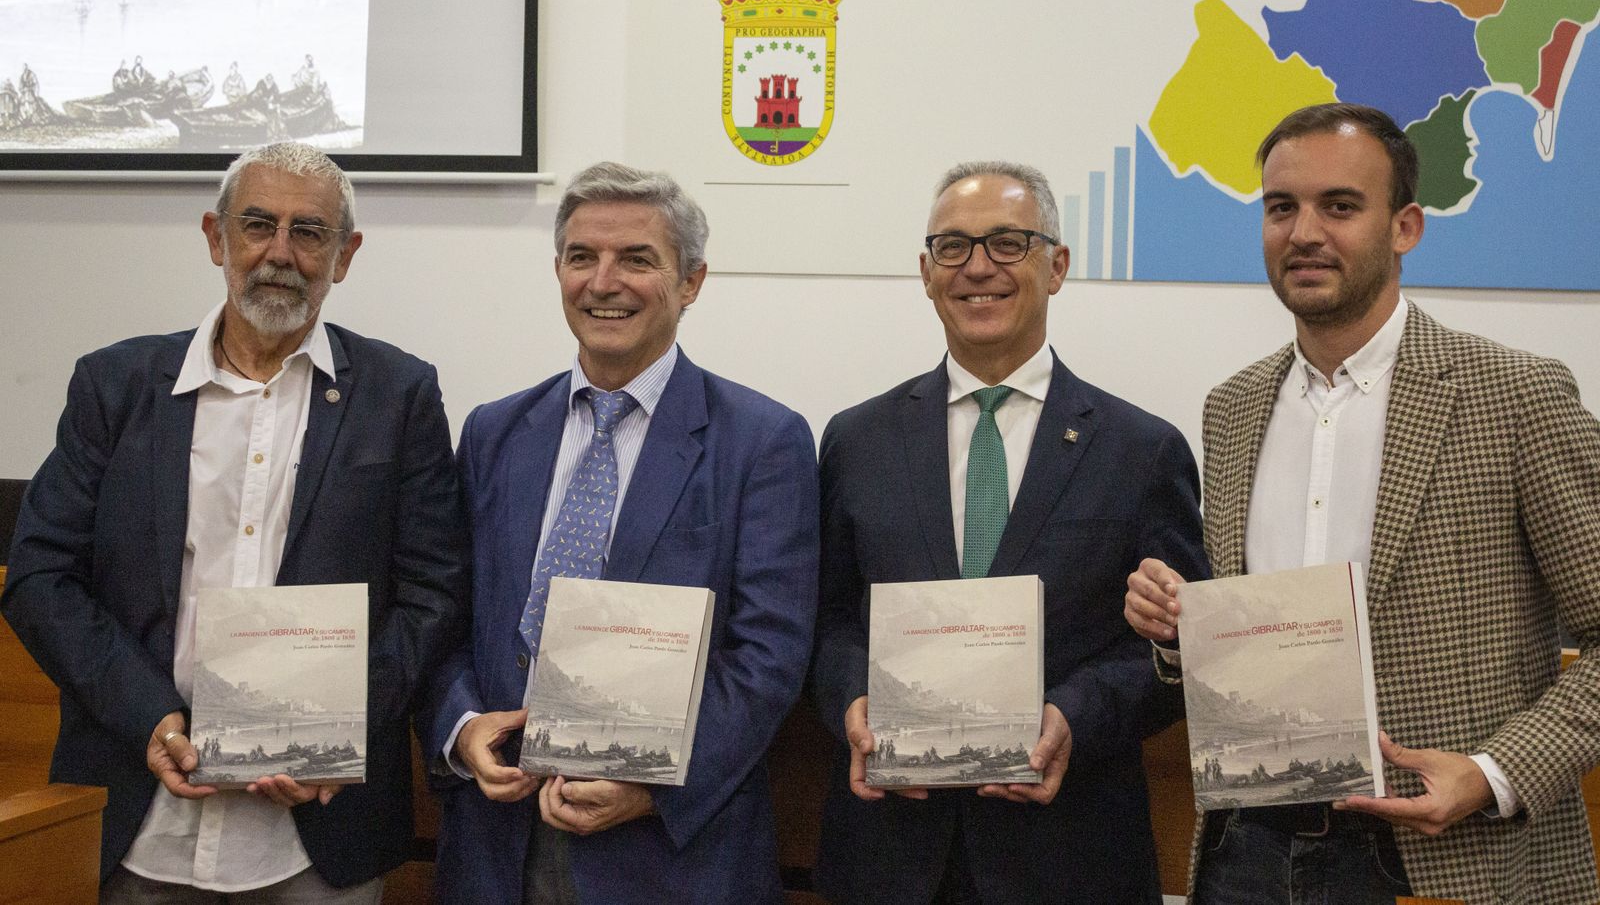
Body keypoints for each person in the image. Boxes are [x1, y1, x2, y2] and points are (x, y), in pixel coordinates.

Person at [1125, 102, 1600, 904]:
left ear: (1405, 227)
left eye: (1339, 206)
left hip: (1438, 856)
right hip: (1246, 849)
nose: (1303, 232)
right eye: (1282, 208)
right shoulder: (1232, 407)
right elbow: (1249, 638)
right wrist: (1180, 634)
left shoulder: (1515, 395)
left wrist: (1492, 774)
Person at [2, 142, 468, 902]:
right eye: (258, 225)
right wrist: (148, 716)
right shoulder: (114, 387)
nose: (280, 253)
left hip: (320, 834)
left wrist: (331, 733)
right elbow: (40, 578)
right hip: (136, 815)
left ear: (344, 256)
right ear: (217, 238)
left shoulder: (398, 393)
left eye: (309, 232)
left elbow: (436, 594)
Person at [421, 162, 820, 904]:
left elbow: (771, 654)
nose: (604, 282)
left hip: (671, 854)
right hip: (497, 842)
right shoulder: (494, 431)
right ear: (559, 271)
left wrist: (653, 784)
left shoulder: (763, 441)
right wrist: (462, 725)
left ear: (692, 281)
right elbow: (443, 613)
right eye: (582, 257)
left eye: (637, 259)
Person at [812, 161, 1207, 904]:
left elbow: (1174, 653)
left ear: (1056, 266)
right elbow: (827, 620)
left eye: (1007, 243)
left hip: (1071, 850)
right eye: (954, 248)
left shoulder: (1142, 449)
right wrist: (850, 702)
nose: (978, 268)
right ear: (926, 273)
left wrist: (1075, 719)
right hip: (888, 855)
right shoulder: (856, 439)